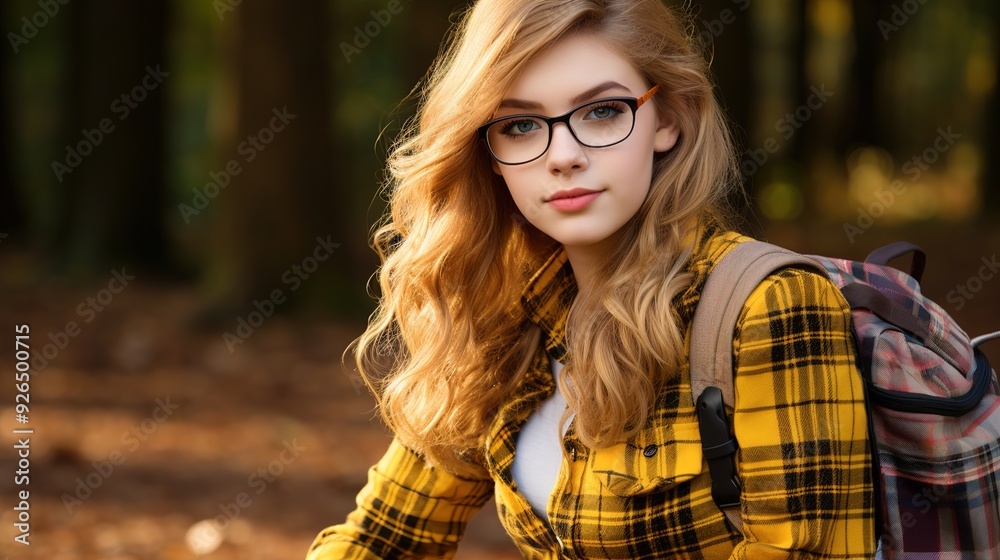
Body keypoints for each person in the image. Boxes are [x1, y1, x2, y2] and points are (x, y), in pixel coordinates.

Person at [307, 0, 875, 557]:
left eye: (602, 111)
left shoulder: (770, 307)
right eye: (521, 125)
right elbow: (385, 534)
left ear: (669, 118)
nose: (563, 155)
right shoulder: (503, 315)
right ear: (488, 149)